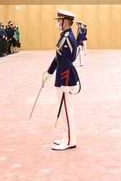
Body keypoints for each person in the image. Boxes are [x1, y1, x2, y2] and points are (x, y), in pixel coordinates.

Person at [42, 9, 80, 151]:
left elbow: (65, 62)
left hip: (66, 79)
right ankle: (67, 137)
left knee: (66, 110)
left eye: (59, 20)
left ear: (65, 22)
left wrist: (64, 83)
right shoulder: (65, 36)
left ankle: (70, 140)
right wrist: (49, 72)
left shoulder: (67, 38)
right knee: (64, 111)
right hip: (63, 77)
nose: (58, 23)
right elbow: (58, 58)